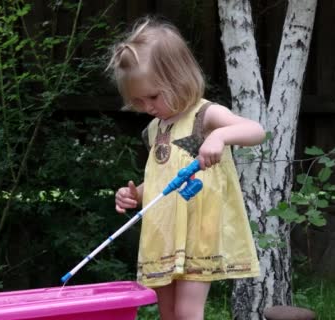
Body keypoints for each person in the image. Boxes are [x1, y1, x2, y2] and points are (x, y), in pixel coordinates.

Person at [108, 17, 265, 320]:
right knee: (167, 312)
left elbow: (255, 130)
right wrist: (135, 195)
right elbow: (163, 181)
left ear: (180, 77)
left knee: (186, 311)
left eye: (153, 96)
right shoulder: (155, 129)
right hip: (163, 233)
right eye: (138, 101)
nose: (148, 106)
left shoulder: (204, 115)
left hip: (197, 233)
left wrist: (220, 135)